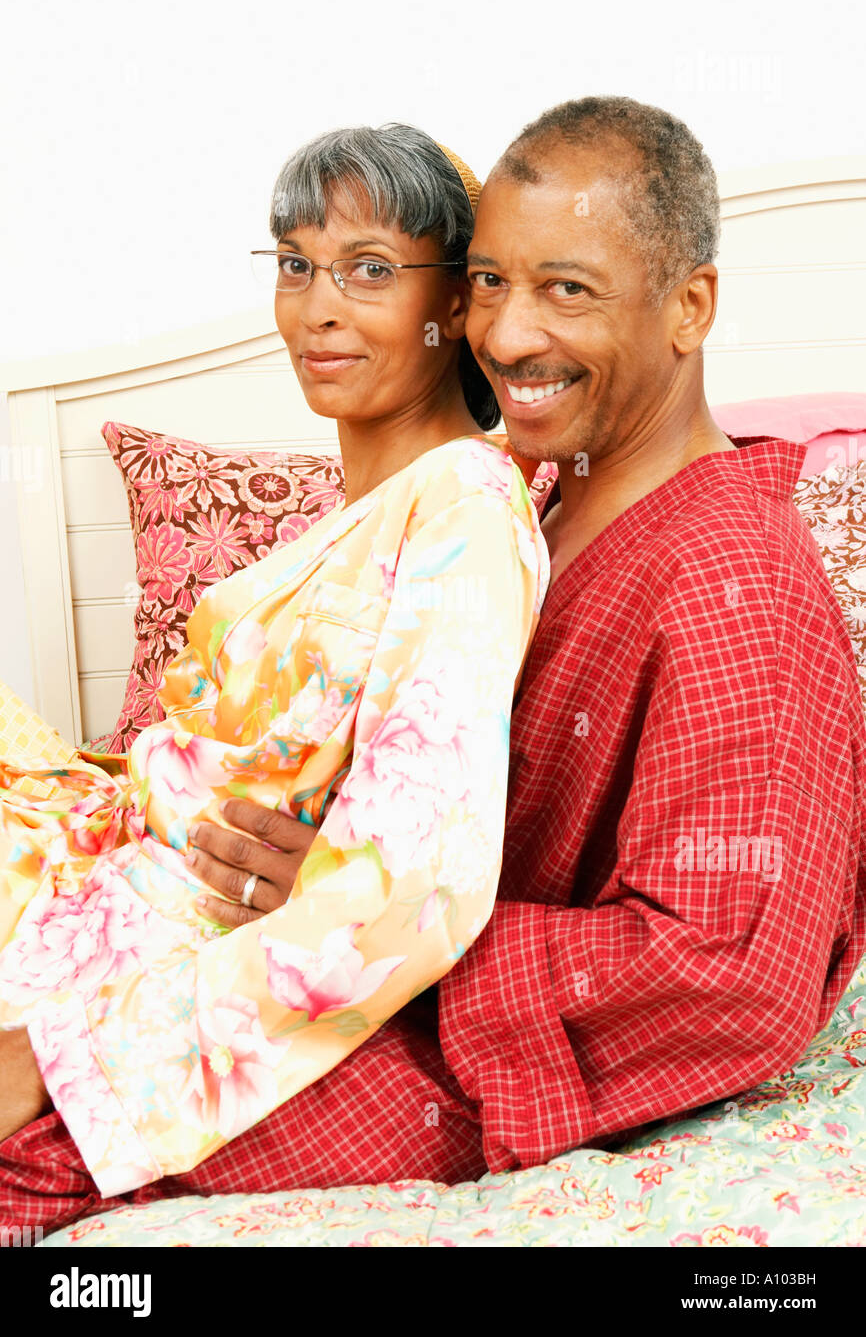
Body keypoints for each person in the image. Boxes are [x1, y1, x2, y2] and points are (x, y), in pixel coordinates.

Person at [4, 95, 866, 1237]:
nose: (505, 335)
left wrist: (358, 903)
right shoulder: (528, 493)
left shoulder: (732, 583)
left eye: (567, 290)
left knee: (44, 1140)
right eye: (491, 283)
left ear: (689, 306)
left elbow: (729, 973)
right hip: (335, 951)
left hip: (446, 1036)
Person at [0, 125, 548, 1214]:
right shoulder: (361, 513)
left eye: (370, 269)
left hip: (181, 930)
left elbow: (412, 880)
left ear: (455, 303)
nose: (318, 308)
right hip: (112, 845)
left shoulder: (467, 506)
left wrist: (58, 1062)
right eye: (296, 264)